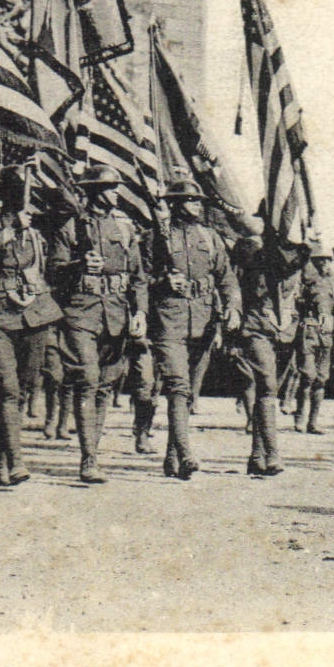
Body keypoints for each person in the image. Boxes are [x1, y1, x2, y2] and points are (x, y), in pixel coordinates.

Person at [0, 164, 62, 487]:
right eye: (14, 190)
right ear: (1, 193)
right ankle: (17, 462)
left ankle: (1, 463)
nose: (20, 198)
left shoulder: (37, 230)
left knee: (23, 390)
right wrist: (8, 231)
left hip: (34, 315)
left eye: (24, 191)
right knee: (7, 388)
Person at [51, 165, 144, 484]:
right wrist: (79, 265)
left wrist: (140, 311)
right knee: (88, 379)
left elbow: (138, 277)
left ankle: (94, 452)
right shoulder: (71, 227)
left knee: (105, 385)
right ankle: (88, 459)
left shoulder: (126, 229)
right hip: (81, 312)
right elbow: (54, 272)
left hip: (116, 314)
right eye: (110, 187)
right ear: (93, 191)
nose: (117, 192)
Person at [143, 177, 240, 479]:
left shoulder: (210, 237)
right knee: (177, 385)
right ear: (174, 204)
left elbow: (227, 277)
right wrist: (161, 282)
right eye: (189, 200)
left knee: (187, 392)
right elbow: (139, 279)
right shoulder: (155, 238)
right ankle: (185, 453)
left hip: (203, 321)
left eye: (197, 200)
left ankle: (172, 458)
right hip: (168, 317)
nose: (196, 205)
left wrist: (233, 306)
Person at [232, 219, 309, 475]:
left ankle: (256, 456)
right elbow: (255, 266)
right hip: (256, 326)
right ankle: (273, 454)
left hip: (285, 331)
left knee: (268, 388)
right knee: (267, 385)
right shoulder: (251, 249)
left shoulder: (299, 253)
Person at [294, 247, 334, 434]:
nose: (324, 263)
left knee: (322, 378)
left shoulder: (333, 284)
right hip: (309, 331)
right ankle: (300, 417)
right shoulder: (305, 282)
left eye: (327, 260)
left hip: (326, 334)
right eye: (319, 260)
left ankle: (313, 422)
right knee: (308, 376)